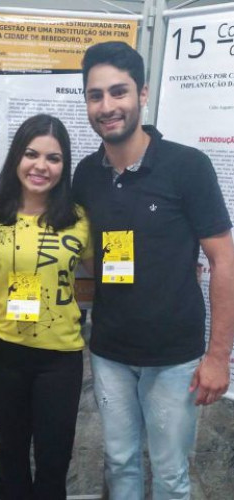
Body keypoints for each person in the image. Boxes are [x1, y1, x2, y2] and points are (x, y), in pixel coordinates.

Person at [72, 41, 234, 500]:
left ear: (142, 93)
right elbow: (88, 255)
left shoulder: (187, 166)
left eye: (118, 92)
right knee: (119, 463)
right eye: (96, 95)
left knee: (170, 475)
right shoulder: (86, 175)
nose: (107, 106)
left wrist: (218, 357)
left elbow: (224, 260)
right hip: (110, 353)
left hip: (174, 357)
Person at [0, 114, 93, 500]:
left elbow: (107, 274)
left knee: (53, 458)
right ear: (17, 157)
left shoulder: (78, 218)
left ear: (64, 165)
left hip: (59, 357)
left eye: (53, 158)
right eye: (31, 154)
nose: (41, 166)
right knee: (11, 451)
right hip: (1, 351)